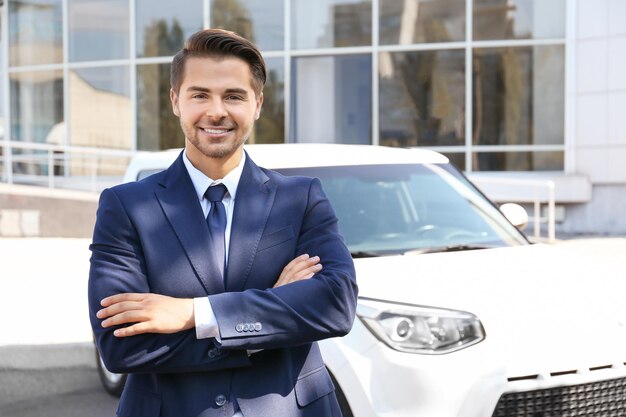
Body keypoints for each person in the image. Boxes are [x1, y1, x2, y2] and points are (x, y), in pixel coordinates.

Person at [88, 28, 358, 417]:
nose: (216, 111)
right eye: (200, 94)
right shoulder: (125, 207)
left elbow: (334, 304)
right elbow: (121, 345)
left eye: (233, 96)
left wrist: (194, 314)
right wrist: (268, 321)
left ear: (258, 104)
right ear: (175, 101)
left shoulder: (301, 198)